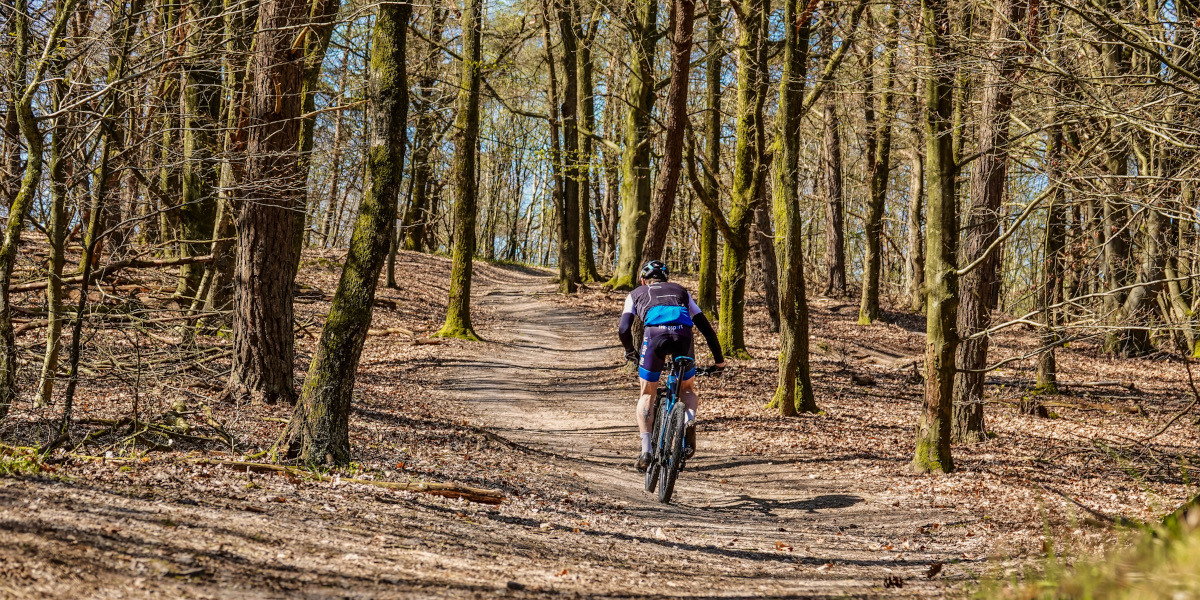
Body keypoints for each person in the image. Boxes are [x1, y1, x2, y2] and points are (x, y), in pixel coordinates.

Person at [618, 260, 724, 471]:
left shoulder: (636, 293)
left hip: (654, 335)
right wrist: (719, 361)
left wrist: (630, 351)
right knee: (687, 388)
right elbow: (705, 327)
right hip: (683, 335)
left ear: (643, 279)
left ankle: (646, 451)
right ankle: (689, 420)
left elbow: (623, 328)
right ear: (666, 279)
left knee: (647, 394)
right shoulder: (681, 291)